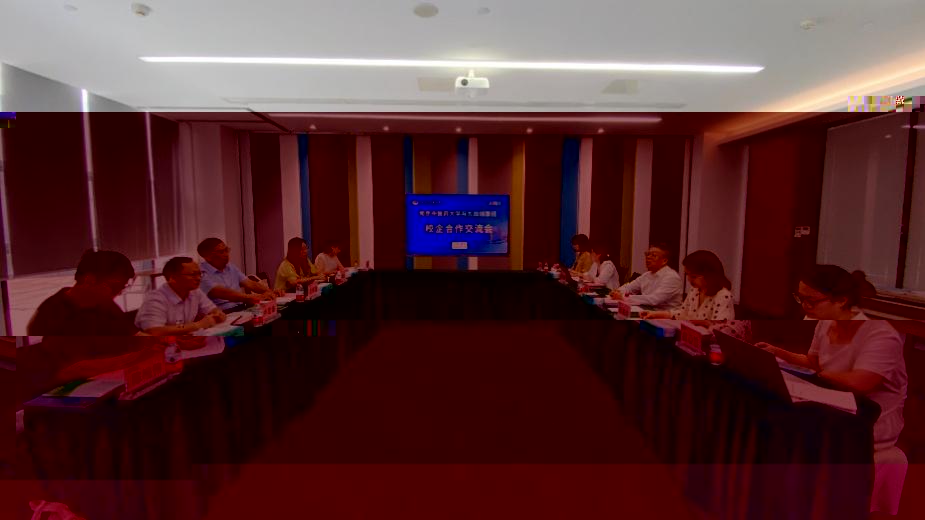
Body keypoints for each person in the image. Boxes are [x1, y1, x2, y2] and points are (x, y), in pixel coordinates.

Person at [757, 266, 907, 515]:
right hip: (833, 402)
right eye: (800, 298)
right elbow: (814, 362)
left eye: (811, 300)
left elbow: (861, 383)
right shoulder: (826, 324)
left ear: (841, 300)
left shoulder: (881, 335)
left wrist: (813, 376)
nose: (805, 306)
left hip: (869, 418)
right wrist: (778, 353)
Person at [23, 250, 159, 395]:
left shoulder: (103, 304)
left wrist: (159, 342)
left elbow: (133, 334)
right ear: (89, 280)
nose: (119, 293)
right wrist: (134, 358)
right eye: (115, 287)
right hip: (72, 391)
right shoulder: (52, 313)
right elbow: (72, 370)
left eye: (123, 287)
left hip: (111, 379)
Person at [641, 250, 750, 340]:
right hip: (690, 339)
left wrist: (702, 323)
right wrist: (657, 314)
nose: (689, 280)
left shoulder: (723, 295)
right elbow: (683, 313)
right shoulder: (695, 290)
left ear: (709, 275)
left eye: (694, 276)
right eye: (687, 275)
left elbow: (722, 331)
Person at [135, 256, 226, 336]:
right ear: (173, 278)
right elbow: (154, 331)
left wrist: (218, 313)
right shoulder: (155, 299)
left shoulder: (195, 292)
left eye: (200, 274)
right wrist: (197, 325)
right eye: (193, 274)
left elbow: (212, 310)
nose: (199, 278)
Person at [198, 238, 281, 311]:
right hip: (223, 312)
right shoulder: (200, 273)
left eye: (226, 250)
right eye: (221, 252)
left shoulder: (230, 267)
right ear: (208, 257)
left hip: (241, 307)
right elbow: (224, 294)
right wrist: (255, 297)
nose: (226, 254)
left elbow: (250, 283)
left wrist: (270, 292)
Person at [610, 243, 683, 310]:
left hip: (666, 316)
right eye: (647, 254)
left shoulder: (672, 277)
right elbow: (629, 287)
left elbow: (654, 300)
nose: (648, 257)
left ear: (664, 261)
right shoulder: (647, 275)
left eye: (653, 255)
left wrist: (623, 297)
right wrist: (617, 292)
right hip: (647, 312)